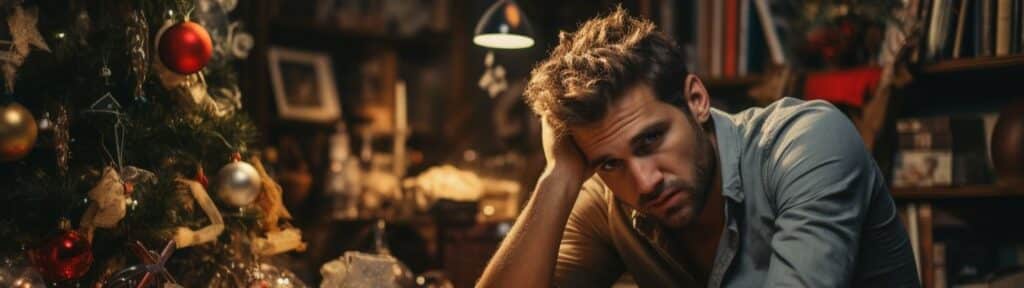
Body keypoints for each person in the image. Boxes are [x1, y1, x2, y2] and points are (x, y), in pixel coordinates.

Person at [477, 7, 919, 288]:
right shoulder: (608, 197)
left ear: (696, 100)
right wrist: (560, 175)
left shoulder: (805, 143)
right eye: (610, 162)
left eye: (651, 139)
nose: (645, 182)